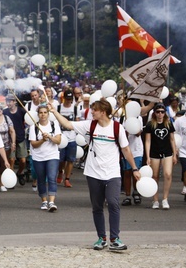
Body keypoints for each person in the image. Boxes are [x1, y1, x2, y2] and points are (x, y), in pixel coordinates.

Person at [50, 98, 139, 251]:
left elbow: (126, 150)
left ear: (103, 112)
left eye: (95, 110)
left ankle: (115, 239)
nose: (91, 112)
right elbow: (68, 124)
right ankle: (101, 238)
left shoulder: (117, 128)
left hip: (112, 172)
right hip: (93, 172)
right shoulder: (90, 125)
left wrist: (135, 169)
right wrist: (54, 112)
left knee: (113, 202)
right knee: (97, 206)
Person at [29, 104, 62, 212]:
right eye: (41, 113)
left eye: (45, 112)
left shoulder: (54, 124)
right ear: (38, 114)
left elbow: (58, 141)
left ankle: (52, 202)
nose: (43, 115)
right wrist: (42, 140)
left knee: (52, 178)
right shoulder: (33, 127)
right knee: (41, 179)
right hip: (38, 157)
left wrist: (50, 137)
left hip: (52, 155)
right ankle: (44, 200)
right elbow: (33, 144)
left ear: (48, 114)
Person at [144, 103, 177, 209]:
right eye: (158, 112)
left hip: (167, 152)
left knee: (168, 174)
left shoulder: (168, 123)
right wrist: (148, 156)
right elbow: (148, 141)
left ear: (165, 113)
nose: (160, 114)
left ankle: (165, 199)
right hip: (154, 152)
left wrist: (175, 154)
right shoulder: (150, 124)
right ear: (154, 113)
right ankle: (155, 200)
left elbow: (172, 139)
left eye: (162, 112)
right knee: (155, 176)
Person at [0, 101, 15, 191]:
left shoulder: (6, 118)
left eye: (1, 108)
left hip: (5, 145)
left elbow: (12, 131)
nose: (0, 110)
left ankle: (2, 183)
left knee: (3, 164)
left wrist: (13, 142)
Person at [55, 90, 79, 188]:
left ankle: (67, 178)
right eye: (67, 99)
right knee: (61, 159)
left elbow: (77, 121)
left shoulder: (75, 108)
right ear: (64, 98)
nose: (69, 101)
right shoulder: (59, 107)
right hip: (61, 136)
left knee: (71, 159)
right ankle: (60, 171)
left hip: (72, 137)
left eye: (70, 99)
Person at [3, 94, 27, 186]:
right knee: (11, 160)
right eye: (7, 101)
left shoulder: (21, 111)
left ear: (15, 102)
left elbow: (28, 119)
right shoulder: (5, 112)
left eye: (10, 101)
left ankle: (20, 173)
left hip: (20, 137)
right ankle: (11, 179)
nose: (8, 103)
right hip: (9, 139)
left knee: (23, 160)